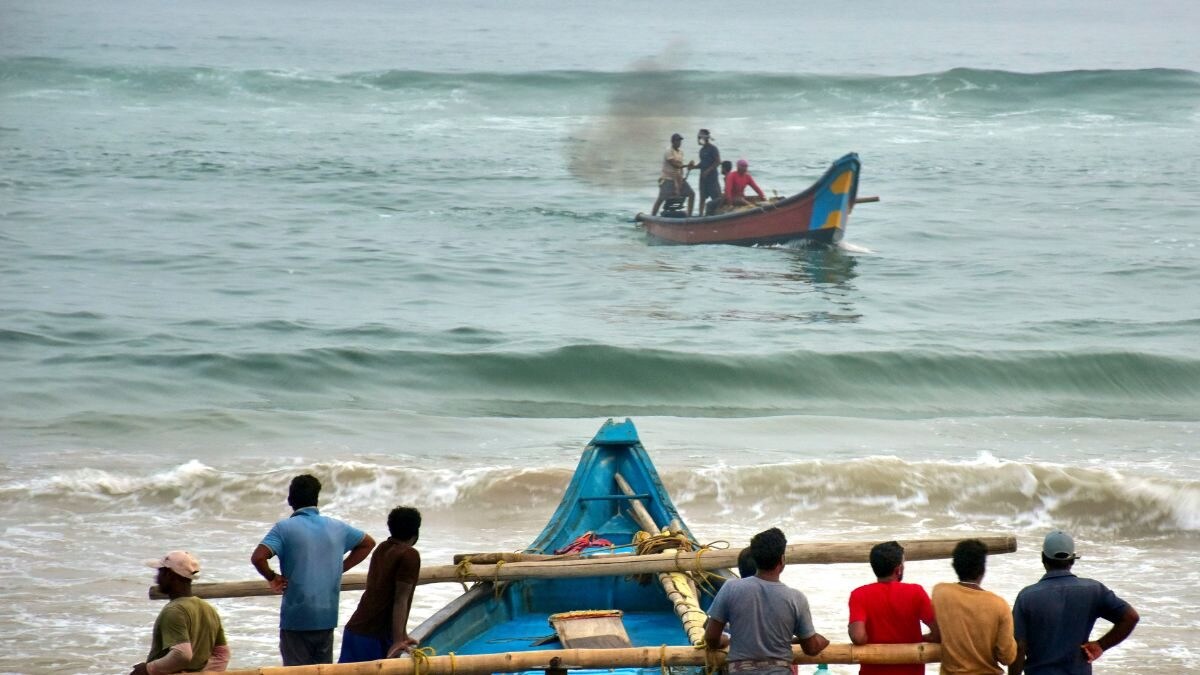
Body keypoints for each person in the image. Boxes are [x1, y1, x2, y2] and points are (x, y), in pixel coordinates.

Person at [251, 474, 376, 666]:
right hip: (326, 617)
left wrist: (273, 577)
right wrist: (339, 568)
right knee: (322, 670)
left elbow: (258, 557)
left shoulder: (284, 528)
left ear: (290, 499)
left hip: (296, 618)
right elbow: (368, 543)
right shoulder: (338, 527)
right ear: (316, 499)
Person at [1009, 530, 1139, 675]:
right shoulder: (1094, 590)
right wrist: (1101, 645)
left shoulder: (1027, 597)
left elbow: (1018, 646)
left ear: (1043, 558)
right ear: (1072, 560)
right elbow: (1130, 617)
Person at [704, 528, 830, 675]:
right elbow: (811, 649)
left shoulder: (730, 588)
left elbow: (711, 638)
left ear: (756, 559)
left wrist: (724, 641)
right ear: (782, 560)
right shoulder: (796, 598)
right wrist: (824, 641)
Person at [339, 506, 423, 662]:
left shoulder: (383, 548)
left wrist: (402, 634)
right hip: (373, 636)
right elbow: (400, 599)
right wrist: (398, 640)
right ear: (415, 531)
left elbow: (382, 592)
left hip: (356, 630)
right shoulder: (409, 554)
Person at [847, 540, 939, 675]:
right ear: (898, 569)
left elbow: (858, 637)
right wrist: (920, 638)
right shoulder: (916, 592)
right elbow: (939, 633)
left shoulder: (859, 594)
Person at [132, 551, 230, 675]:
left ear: (169, 574)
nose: (157, 579)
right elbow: (222, 654)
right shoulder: (208, 608)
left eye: (160, 572)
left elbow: (182, 654)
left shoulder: (174, 611)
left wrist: (148, 669)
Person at [931, 539, 1017, 675]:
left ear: (955, 566)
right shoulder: (999, 605)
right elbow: (1007, 657)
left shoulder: (940, 593)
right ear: (982, 570)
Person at [651, 132, 696, 217]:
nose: (679, 143)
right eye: (677, 141)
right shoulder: (668, 151)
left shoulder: (681, 152)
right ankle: (652, 217)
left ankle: (689, 216)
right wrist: (687, 165)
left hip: (678, 179)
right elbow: (675, 165)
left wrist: (684, 174)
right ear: (673, 141)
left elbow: (680, 167)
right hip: (668, 179)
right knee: (661, 199)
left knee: (691, 194)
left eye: (680, 141)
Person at [696, 129, 722, 216]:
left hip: (712, 178)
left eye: (701, 137)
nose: (700, 139)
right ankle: (700, 216)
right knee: (702, 197)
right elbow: (702, 163)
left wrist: (708, 170)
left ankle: (718, 215)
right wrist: (693, 167)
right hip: (703, 178)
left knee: (717, 198)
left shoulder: (713, 149)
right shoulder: (702, 150)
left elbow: (718, 161)